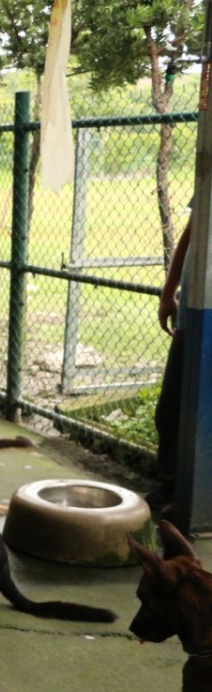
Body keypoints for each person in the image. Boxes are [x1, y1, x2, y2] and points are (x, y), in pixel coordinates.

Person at [151, 206, 193, 511]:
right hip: (194, 310)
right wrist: (169, 292)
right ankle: (170, 489)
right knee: (170, 408)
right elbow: (191, 232)